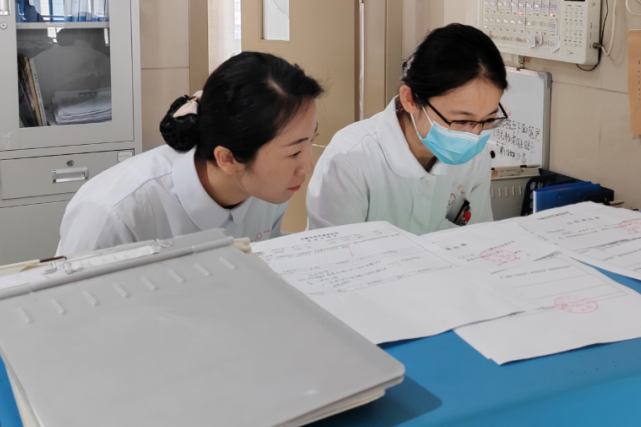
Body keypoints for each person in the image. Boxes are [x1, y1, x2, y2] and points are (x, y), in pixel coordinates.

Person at [56, 52, 322, 255]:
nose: (307, 166)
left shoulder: (269, 191)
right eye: (294, 153)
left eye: (311, 141)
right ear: (227, 159)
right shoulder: (114, 213)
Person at [306, 23, 508, 234]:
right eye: (461, 121)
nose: (474, 135)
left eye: (488, 119)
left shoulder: (475, 157)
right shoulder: (350, 160)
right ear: (410, 99)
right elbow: (335, 251)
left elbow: (476, 238)